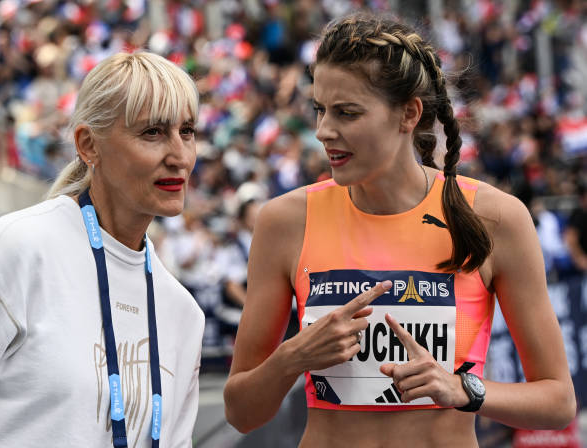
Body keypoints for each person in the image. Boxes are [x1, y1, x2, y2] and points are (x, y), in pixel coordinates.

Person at [223, 13, 576, 446]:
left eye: (347, 113)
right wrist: (293, 356)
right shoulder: (285, 221)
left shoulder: (494, 217)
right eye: (320, 109)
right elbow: (240, 413)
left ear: (409, 113)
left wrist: (462, 389)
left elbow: (558, 401)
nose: (323, 131)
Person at [0, 51, 205, 447]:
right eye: (152, 132)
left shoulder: (183, 312)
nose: (180, 157)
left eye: (187, 131)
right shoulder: (18, 249)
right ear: (88, 145)